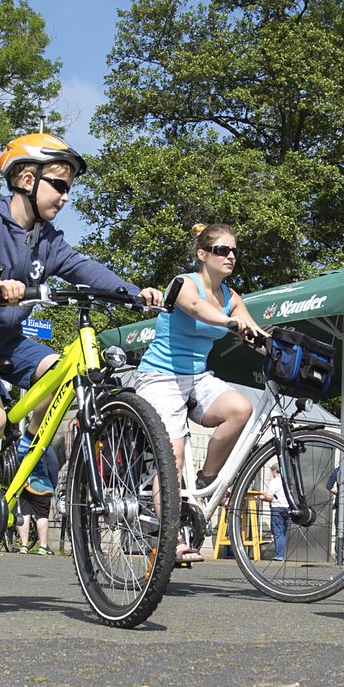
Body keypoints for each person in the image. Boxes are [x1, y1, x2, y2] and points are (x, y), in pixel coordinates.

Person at [0, 133, 160, 563]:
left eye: (68, 188)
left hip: (9, 340)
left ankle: (29, 450)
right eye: (58, 184)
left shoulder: (47, 239)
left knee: (61, 371)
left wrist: (133, 292)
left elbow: (83, 267)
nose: (64, 196)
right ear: (26, 178)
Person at [126, 222, 265, 564]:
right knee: (170, 458)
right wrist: (229, 323)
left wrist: (281, 349)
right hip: (160, 377)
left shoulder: (231, 297)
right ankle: (169, 541)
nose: (230, 256)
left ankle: (206, 478)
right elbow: (196, 309)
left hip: (197, 376)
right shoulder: (184, 283)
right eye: (222, 250)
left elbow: (255, 332)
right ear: (203, 255)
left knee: (241, 408)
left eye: (234, 251)